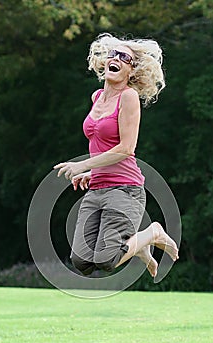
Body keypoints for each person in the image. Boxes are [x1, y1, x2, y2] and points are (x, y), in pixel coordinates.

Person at [54, 33, 179, 278]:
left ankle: (152, 233)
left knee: (107, 259)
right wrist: (93, 171)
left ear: (131, 72)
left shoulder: (128, 97)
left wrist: (82, 165)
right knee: (81, 261)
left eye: (125, 58)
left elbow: (125, 149)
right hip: (97, 188)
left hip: (125, 189)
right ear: (105, 62)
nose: (117, 59)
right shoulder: (97, 97)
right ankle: (139, 247)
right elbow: (102, 144)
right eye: (113, 54)